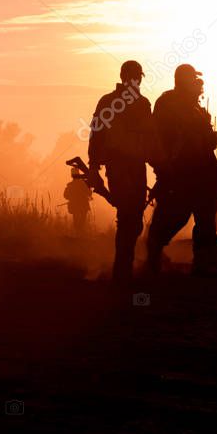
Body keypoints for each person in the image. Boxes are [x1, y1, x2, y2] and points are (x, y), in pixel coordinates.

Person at [145, 64, 217, 277]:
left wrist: (211, 139)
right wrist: (163, 165)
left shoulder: (196, 108)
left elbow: (203, 139)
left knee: (206, 217)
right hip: (178, 172)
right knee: (174, 216)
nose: (197, 84)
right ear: (183, 80)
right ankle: (152, 257)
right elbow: (160, 137)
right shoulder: (167, 103)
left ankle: (205, 264)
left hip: (202, 172)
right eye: (192, 80)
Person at [87, 60, 153, 283]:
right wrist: (93, 166)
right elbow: (97, 132)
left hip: (132, 166)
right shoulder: (117, 102)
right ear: (127, 77)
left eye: (138, 76)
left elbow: (148, 137)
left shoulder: (140, 103)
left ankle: (123, 267)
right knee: (128, 216)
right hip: (120, 165)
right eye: (134, 76)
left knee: (132, 218)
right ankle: (122, 270)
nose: (136, 80)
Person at [63, 168, 92, 235]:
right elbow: (89, 193)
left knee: (76, 220)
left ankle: (78, 233)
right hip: (83, 205)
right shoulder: (83, 184)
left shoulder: (70, 185)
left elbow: (65, 195)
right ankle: (80, 233)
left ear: (71, 175)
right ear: (78, 174)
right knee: (82, 220)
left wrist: (72, 198)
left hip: (74, 205)